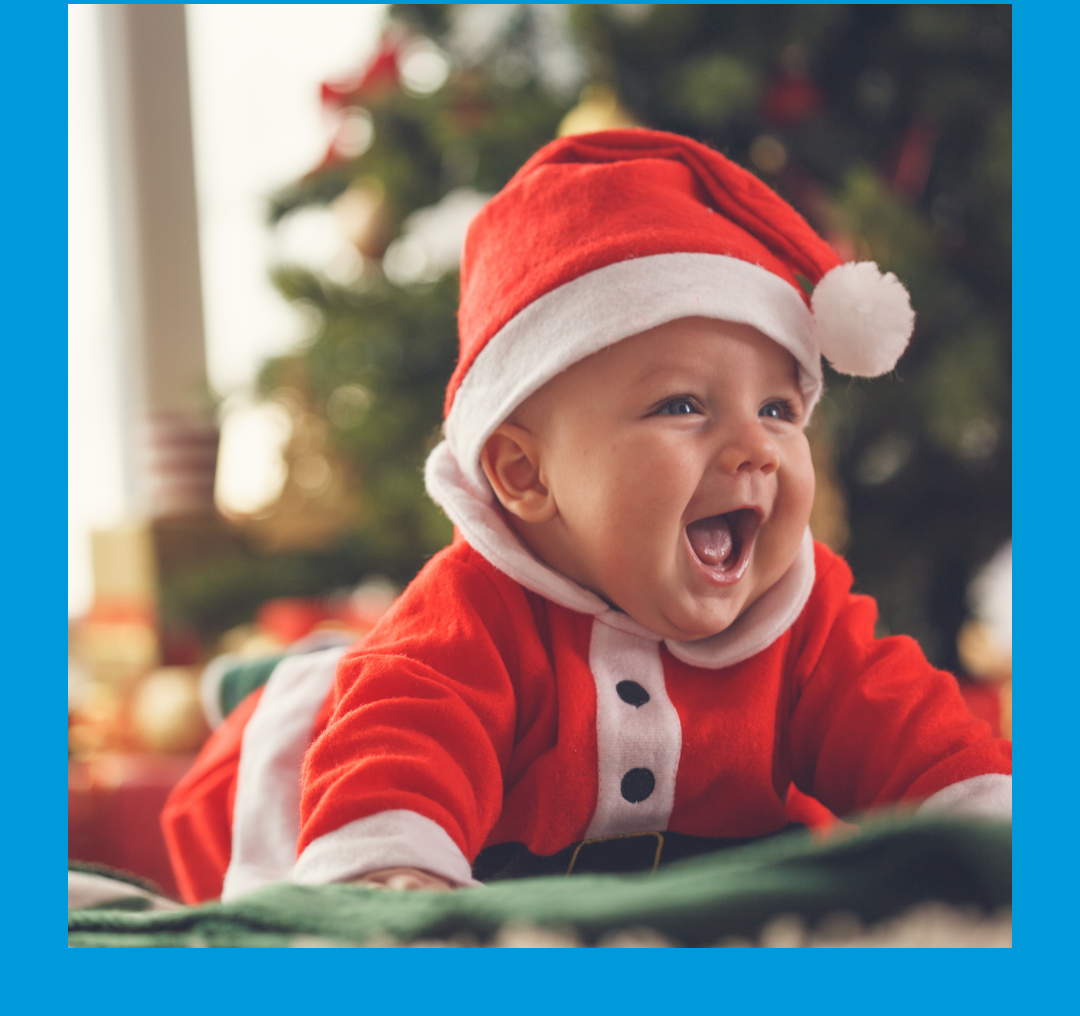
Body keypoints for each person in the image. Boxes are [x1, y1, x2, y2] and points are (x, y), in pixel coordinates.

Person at [162, 129, 1011, 904]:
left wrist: (992, 822)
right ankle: (278, 682)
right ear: (526, 474)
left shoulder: (801, 612)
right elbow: (403, 747)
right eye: (683, 405)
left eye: (782, 411)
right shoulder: (472, 612)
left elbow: (917, 736)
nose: (757, 449)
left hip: (678, 888)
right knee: (314, 722)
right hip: (351, 770)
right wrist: (395, 868)